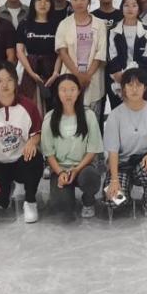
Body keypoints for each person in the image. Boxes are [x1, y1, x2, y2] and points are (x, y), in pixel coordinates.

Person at [0, 62, 44, 224]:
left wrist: (32, 141)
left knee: (35, 159)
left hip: (21, 161)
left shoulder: (28, 106)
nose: (5, 85)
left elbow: (37, 132)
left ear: (16, 81)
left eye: (9, 80)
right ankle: (5, 189)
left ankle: (30, 201)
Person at [103, 68, 147, 218]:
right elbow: (112, 150)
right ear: (123, 88)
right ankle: (125, 192)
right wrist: (114, 180)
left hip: (144, 163)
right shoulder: (115, 115)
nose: (134, 89)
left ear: (145, 88)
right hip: (121, 165)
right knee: (114, 201)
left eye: (138, 85)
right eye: (130, 85)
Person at [42, 74, 104, 219]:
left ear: (79, 91)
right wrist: (60, 172)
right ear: (57, 92)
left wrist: (76, 170)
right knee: (61, 207)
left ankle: (88, 201)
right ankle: (66, 196)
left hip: (83, 167)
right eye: (63, 90)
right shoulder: (50, 118)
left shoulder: (89, 115)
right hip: (60, 168)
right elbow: (49, 154)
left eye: (72, 89)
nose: (68, 94)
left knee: (90, 178)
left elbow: (92, 150)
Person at [55, 0, 107, 119]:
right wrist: (77, 74)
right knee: (70, 114)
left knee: (93, 117)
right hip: (70, 73)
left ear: (89, 1)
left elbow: (100, 52)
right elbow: (62, 51)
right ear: (70, 1)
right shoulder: (64, 24)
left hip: (93, 75)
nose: (79, 2)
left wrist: (87, 75)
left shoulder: (100, 24)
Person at [106, 0, 147, 108]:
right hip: (117, 79)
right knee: (119, 111)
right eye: (126, 5)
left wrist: (131, 75)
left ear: (139, 9)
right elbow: (111, 55)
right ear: (121, 8)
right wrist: (118, 74)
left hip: (140, 79)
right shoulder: (113, 30)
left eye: (134, 5)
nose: (130, 8)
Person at [17, 0, 61, 112]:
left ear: (51, 3)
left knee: (53, 105)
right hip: (30, 68)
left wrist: (55, 73)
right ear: (33, 2)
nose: (43, 4)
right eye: (39, 0)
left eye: (47, 0)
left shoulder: (58, 24)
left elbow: (61, 52)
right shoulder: (24, 24)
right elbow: (19, 51)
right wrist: (31, 73)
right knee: (31, 106)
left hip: (51, 69)